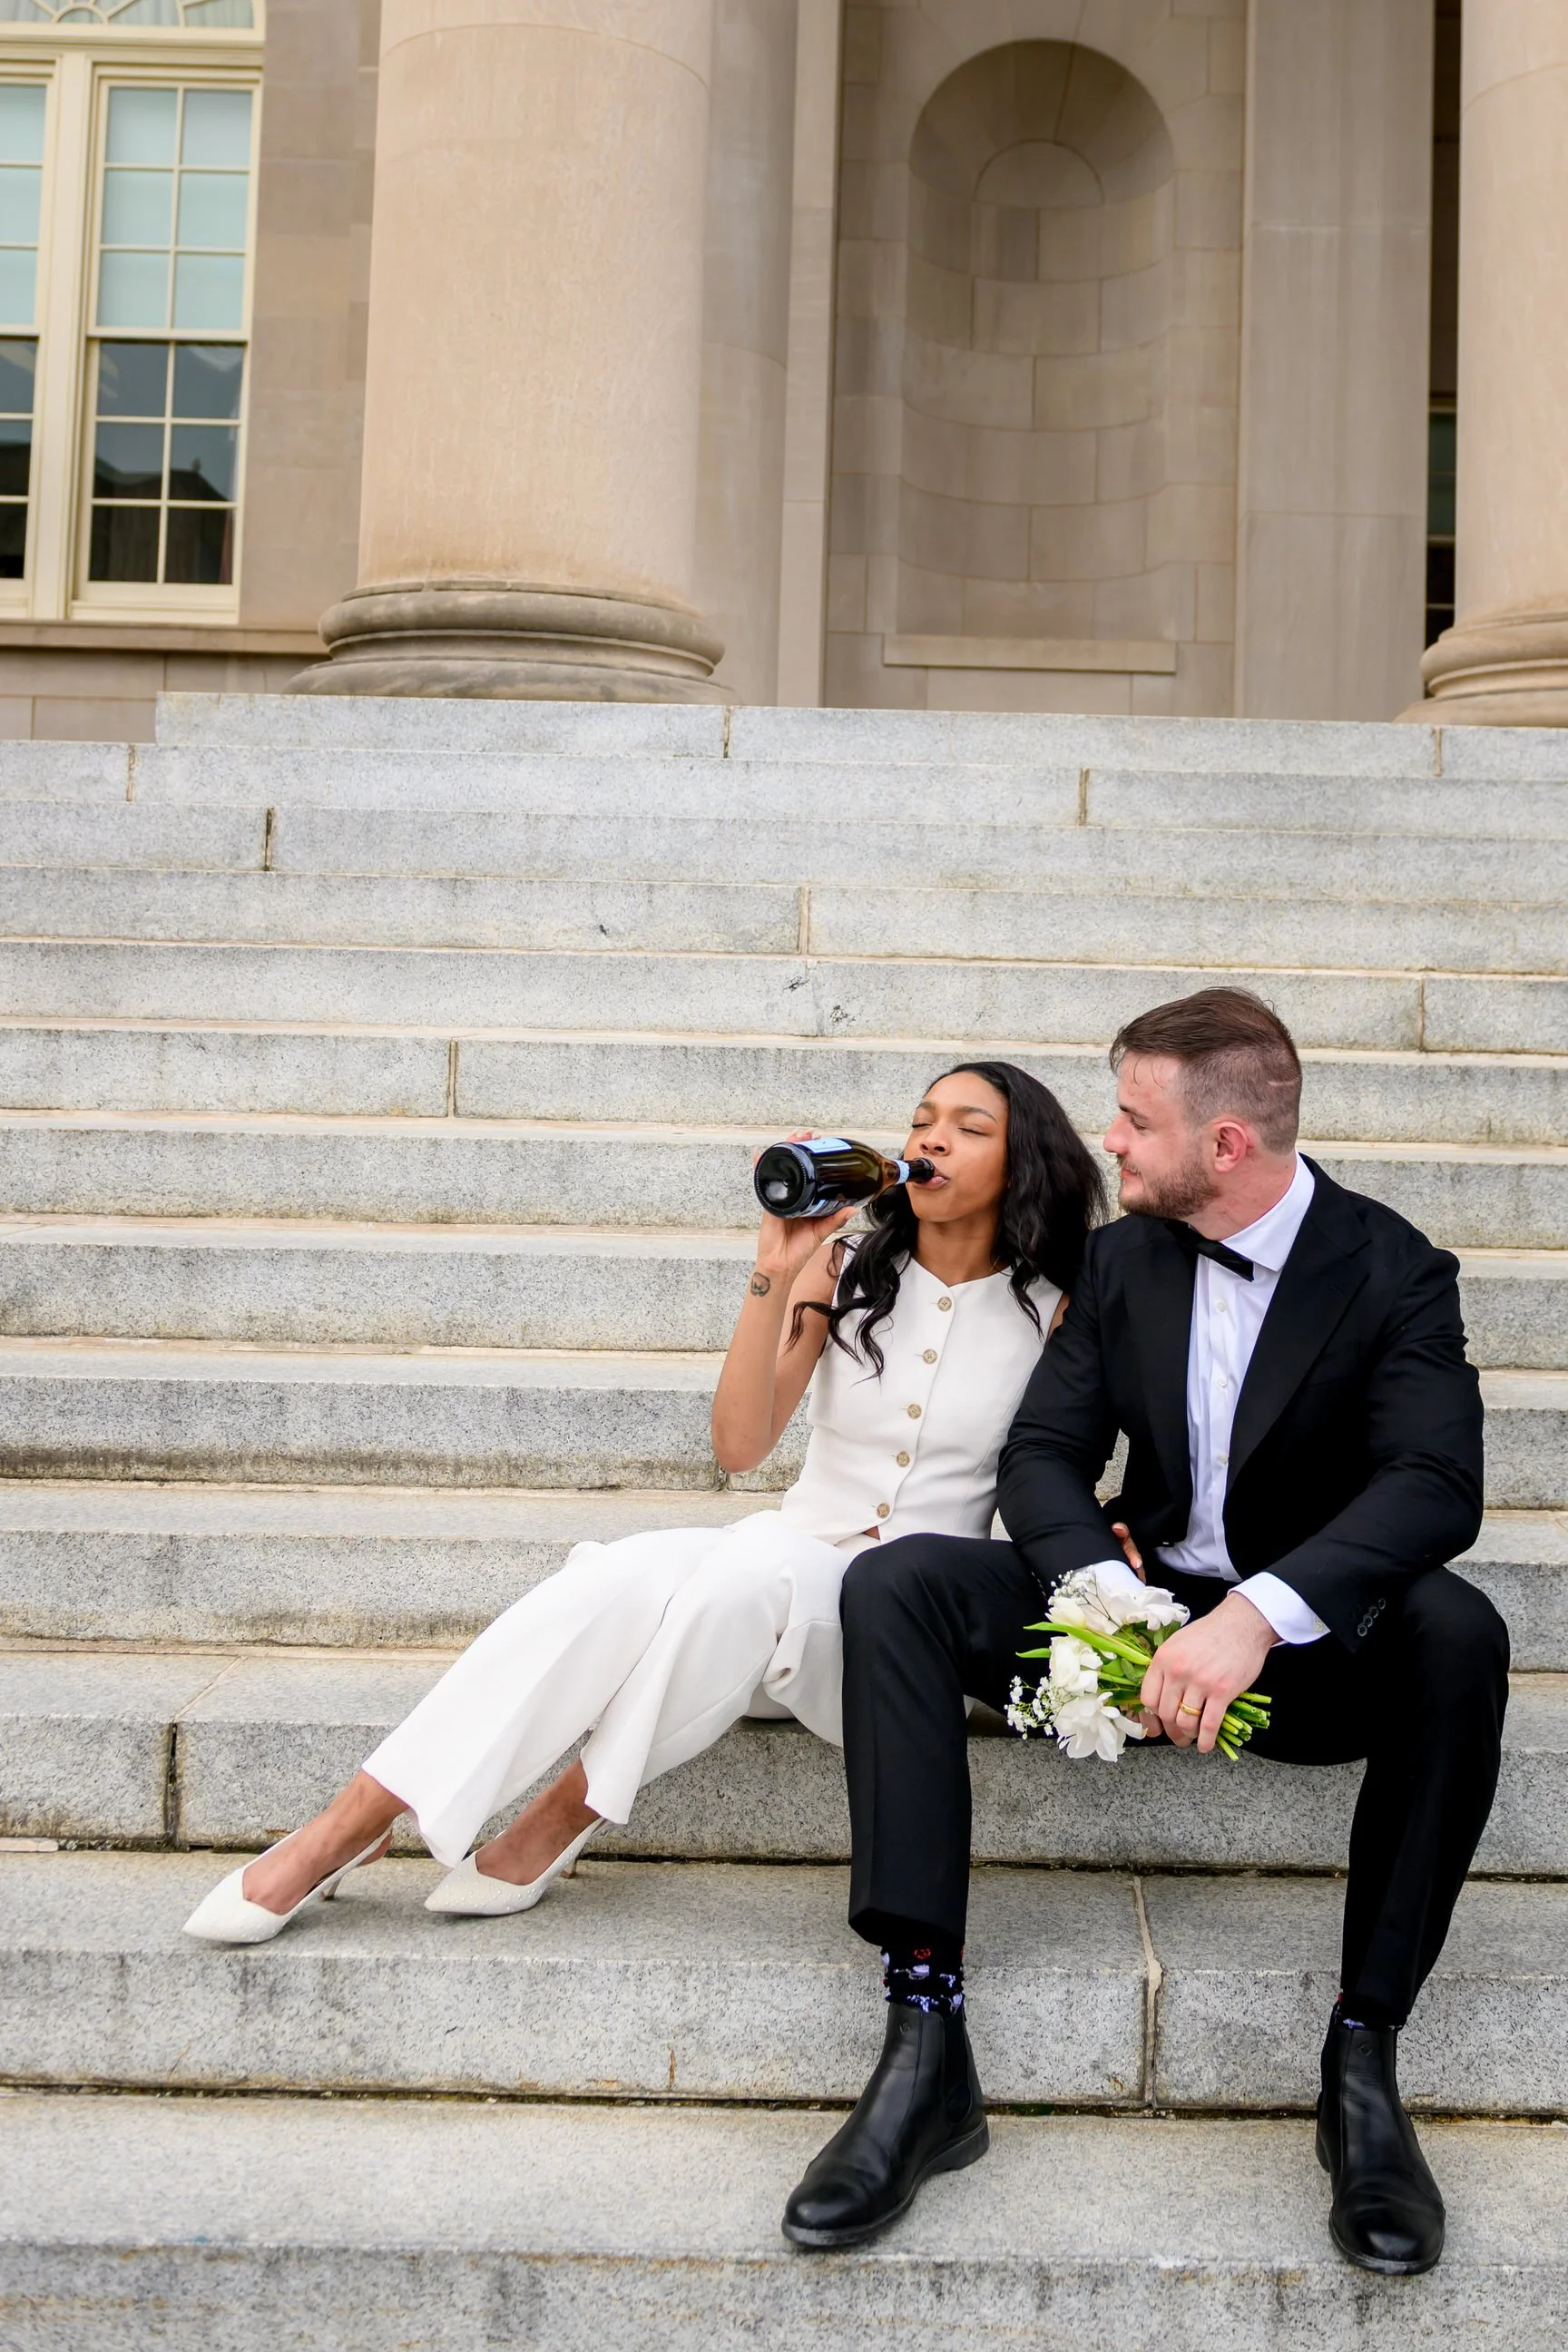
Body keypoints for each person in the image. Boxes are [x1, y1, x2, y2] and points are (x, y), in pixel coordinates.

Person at [784, 987, 1504, 2279]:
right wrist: (1098, 1593)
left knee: (1459, 1633)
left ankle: (1362, 2066)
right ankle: (925, 2042)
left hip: (1300, 1644)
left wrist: (1254, 1617)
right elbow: (1047, 1451)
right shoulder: (1125, 1260)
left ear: (1225, 1144)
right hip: (1134, 1611)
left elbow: (1435, 1486)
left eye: (1133, 1119)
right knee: (894, 1585)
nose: (1109, 1144)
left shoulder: (1396, 1268)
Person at [182, 1061, 1104, 1946]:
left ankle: (566, 1809)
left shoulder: (1058, 1306)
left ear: (1021, 1163)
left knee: (752, 1567)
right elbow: (740, 1447)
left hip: (887, 1633)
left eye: (968, 1129)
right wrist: (776, 1270)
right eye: (920, 1123)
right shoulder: (849, 1268)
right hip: (765, 1580)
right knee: (619, 1575)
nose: (931, 1141)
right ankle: (355, 1817)